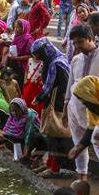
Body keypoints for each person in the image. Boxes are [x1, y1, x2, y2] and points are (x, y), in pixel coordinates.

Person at [65, 24, 99, 184]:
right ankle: (82, 180)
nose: (77, 46)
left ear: (90, 38)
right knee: (77, 143)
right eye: (74, 43)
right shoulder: (76, 59)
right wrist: (65, 106)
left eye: (80, 42)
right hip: (74, 108)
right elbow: (70, 85)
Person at [31, 38, 73, 176]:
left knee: (55, 135)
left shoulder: (57, 63)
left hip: (58, 102)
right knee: (51, 134)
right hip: (55, 100)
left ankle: (54, 168)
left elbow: (51, 86)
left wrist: (40, 97)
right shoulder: (54, 59)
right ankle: (49, 163)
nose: (36, 57)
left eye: (37, 53)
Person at [7, 19, 33, 87]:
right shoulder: (16, 37)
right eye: (15, 27)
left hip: (21, 66)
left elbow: (29, 56)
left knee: (18, 84)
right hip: (13, 63)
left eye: (19, 27)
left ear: (25, 28)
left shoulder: (28, 39)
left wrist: (16, 58)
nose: (16, 29)